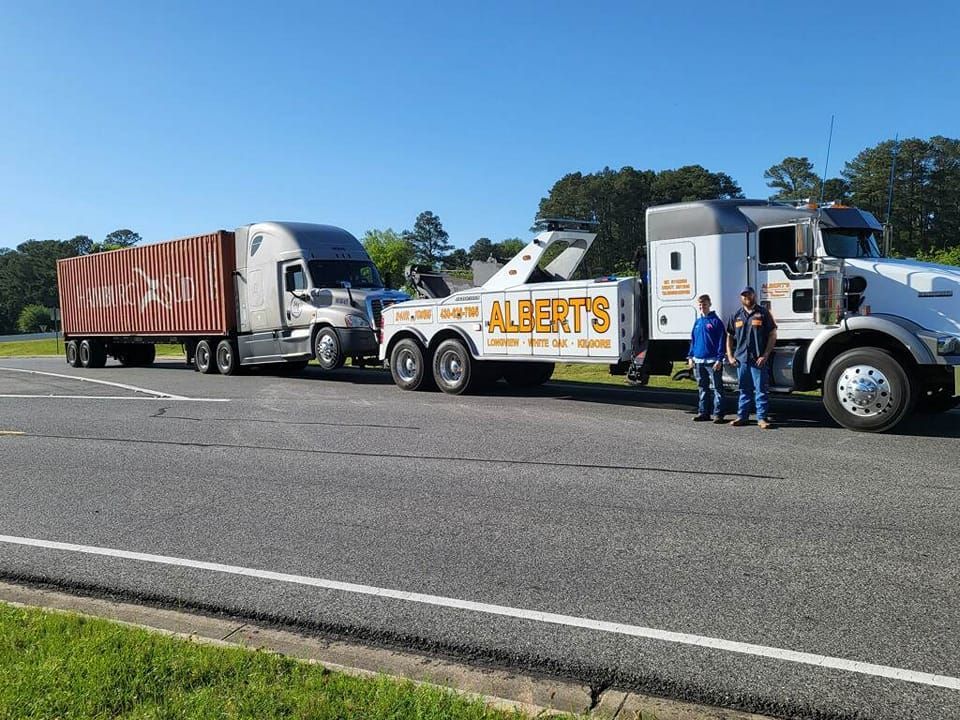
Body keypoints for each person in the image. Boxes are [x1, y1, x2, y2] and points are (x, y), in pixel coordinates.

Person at [726, 287, 778, 429]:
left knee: (761, 390)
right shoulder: (736, 315)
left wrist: (765, 355)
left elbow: (773, 335)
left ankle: (762, 419)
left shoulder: (763, 313)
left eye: (748, 294)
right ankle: (742, 417)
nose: (746, 297)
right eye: (744, 295)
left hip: (758, 360)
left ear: (754, 295)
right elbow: (729, 337)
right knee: (744, 389)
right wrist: (730, 355)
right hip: (742, 359)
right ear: (741, 297)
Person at [687, 294, 726, 423]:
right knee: (702, 388)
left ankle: (718, 414)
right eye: (700, 305)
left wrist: (720, 359)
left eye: (704, 304)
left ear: (709, 304)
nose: (702, 307)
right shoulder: (697, 322)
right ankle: (703, 412)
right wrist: (691, 356)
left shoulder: (716, 321)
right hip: (698, 361)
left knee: (717, 388)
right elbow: (693, 340)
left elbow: (722, 341)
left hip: (712, 361)